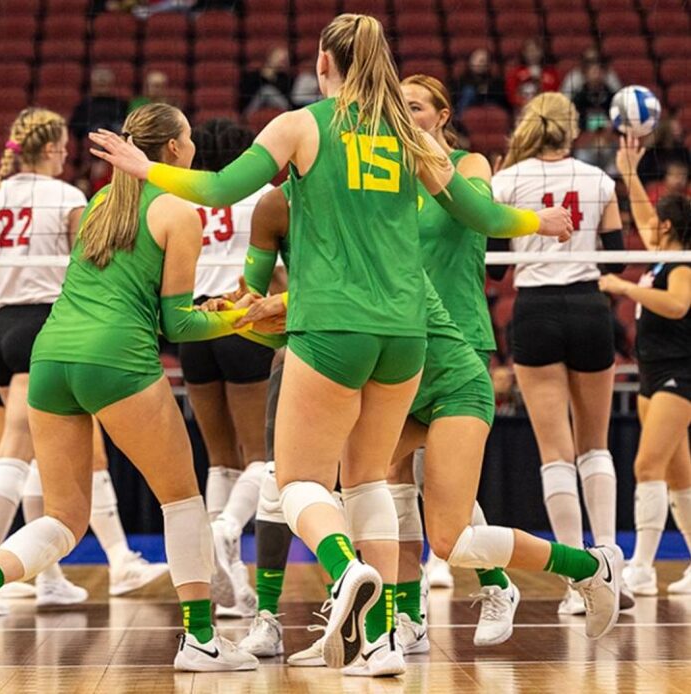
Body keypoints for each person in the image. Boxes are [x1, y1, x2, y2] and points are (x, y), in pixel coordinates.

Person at [88, 13, 575, 672]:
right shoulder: (411, 135)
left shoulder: (302, 124)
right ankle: (379, 640)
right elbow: (480, 216)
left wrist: (146, 168)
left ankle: (347, 573)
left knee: (296, 482)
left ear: (323, 62)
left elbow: (221, 187)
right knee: (369, 478)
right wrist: (537, 222)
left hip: (332, 327)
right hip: (408, 333)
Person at [0, 103, 271, 673]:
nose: (192, 146)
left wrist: (216, 312)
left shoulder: (96, 206)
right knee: (182, 499)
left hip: (51, 356)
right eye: (186, 137)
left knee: (63, 517)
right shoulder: (179, 210)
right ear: (173, 150)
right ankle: (202, 641)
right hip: (115, 358)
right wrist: (242, 318)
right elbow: (179, 325)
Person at [492, 91, 625, 615]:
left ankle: (579, 583)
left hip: (537, 312)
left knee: (556, 451)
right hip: (590, 307)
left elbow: (496, 270)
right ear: (573, 130)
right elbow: (614, 260)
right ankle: (611, 559)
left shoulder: (507, 180)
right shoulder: (599, 180)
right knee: (596, 446)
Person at [0, 107, 91, 610]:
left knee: (41, 457)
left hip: (4, 328)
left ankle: (49, 575)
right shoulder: (68, 196)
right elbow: (84, 269)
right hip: (43, 327)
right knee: (14, 452)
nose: (67, 155)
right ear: (53, 148)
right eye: (64, 148)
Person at [177, 119, 274, 618]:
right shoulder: (257, 199)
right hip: (241, 318)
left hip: (194, 323)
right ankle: (228, 530)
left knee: (219, 460)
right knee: (262, 454)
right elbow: (275, 268)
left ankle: (232, 585)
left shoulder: (186, 203)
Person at [602, 135, 691, 596]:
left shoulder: (681, 266)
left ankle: (641, 566)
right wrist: (630, 173)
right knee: (679, 477)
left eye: (659, 219)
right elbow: (639, 214)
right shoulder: (661, 258)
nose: (649, 224)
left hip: (681, 375)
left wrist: (624, 287)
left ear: (672, 224)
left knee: (646, 466)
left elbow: (678, 306)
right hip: (652, 374)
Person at [69, 67, 129, 141]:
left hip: (116, 135)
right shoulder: (84, 105)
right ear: (92, 84)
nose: (102, 86)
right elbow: (76, 127)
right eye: (99, 84)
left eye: (104, 84)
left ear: (111, 84)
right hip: (93, 136)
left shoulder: (121, 104)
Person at [504, 38, 561, 111]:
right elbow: (511, 94)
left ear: (541, 52)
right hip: (522, 109)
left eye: (535, 50)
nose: (532, 54)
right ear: (523, 53)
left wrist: (539, 80)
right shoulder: (515, 73)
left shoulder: (551, 73)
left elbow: (555, 93)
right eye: (529, 51)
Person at [451, 48, 509, 117]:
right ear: (471, 61)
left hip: (487, 105)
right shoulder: (461, 79)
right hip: (467, 108)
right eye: (477, 60)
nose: (480, 63)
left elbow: (499, 97)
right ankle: (457, 119)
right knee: (469, 92)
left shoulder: (494, 80)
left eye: (483, 61)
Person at [239, 45, 293, 115]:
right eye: (279, 56)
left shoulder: (285, 79)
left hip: (279, 110)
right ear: (270, 57)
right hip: (253, 108)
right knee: (266, 91)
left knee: (268, 91)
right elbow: (246, 95)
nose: (282, 60)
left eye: (285, 59)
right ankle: (246, 117)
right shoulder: (253, 76)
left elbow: (286, 98)